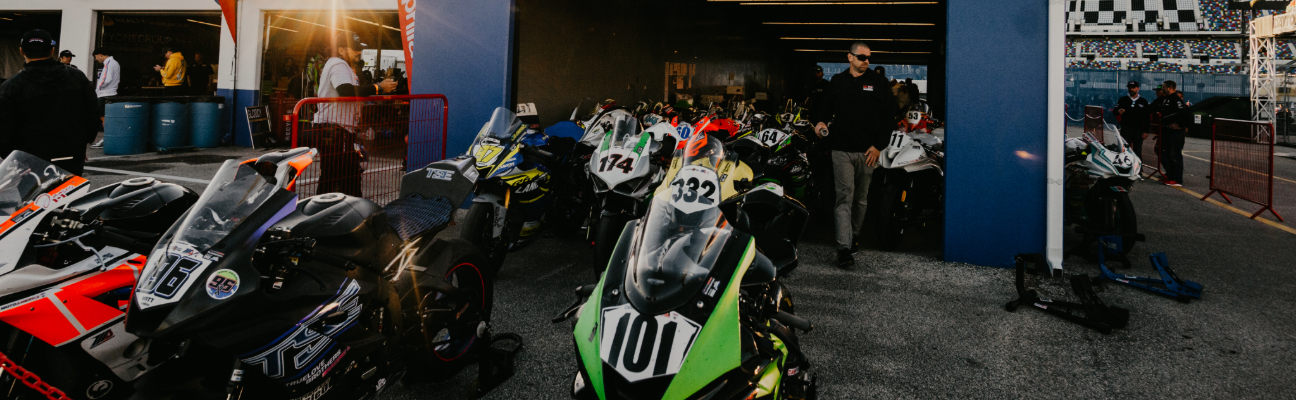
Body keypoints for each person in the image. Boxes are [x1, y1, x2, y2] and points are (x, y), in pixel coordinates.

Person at [811, 41, 896, 268]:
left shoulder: (879, 83)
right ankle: (844, 248)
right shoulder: (838, 82)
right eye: (861, 57)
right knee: (844, 197)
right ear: (849, 57)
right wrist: (819, 123)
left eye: (869, 58)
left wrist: (879, 146)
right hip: (841, 150)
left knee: (860, 199)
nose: (866, 62)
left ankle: (854, 235)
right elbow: (825, 110)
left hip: (868, 152)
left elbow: (889, 118)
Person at [309, 32, 397, 197]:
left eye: (359, 49)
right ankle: (329, 212)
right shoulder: (338, 64)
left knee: (344, 174)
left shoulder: (346, 66)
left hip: (339, 129)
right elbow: (346, 91)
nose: (359, 52)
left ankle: (343, 211)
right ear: (341, 50)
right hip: (333, 129)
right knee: (338, 175)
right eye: (354, 49)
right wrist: (378, 88)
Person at [0, 29, 100, 175]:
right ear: (52, 50)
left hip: (29, 160)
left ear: (21, 51)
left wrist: (13, 158)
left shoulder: (12, 87)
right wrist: (82, 143)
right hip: (70, 154)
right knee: (71, 196)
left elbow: (4, 129)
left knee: (37, 198)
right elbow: (93, 113)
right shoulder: (77, 77)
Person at [1154, 80, 1190, 187]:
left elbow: (1184, 114)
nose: (1162, 89)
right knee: (1166, 153)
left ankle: (1177, 179)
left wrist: (1180, 125)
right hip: (1167, 131)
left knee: (1175, 155)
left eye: (1164, 87)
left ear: (1170, 87)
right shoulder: (1166, 99)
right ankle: (1170, 175)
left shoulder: (1176, 99)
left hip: (1175, 133)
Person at [90, 48, 120, 149]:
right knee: (107, 118)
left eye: (96, 57)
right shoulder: (115, 63)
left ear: (101, 55)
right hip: (111, 93)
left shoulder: (108, 63)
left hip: (104, 94)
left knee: (103, 118)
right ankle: (109, 138)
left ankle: (107, 138)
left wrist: (98, 88)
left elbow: (106, 79)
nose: (96, 59)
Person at [1114, 80, 1150, 158]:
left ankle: (1138, 168)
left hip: (1138, 130)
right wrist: (1118, 111)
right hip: (1125, 129)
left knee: (1137, 150)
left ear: (1138, 88)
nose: (1131, 89)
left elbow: (1147, 117)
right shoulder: (1123, 99)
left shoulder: (1143, 101)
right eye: (1130, 88)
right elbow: (1115, 111)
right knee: (1125, 149)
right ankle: (1125, 167)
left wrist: (1146, 131)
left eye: (1133, 88)